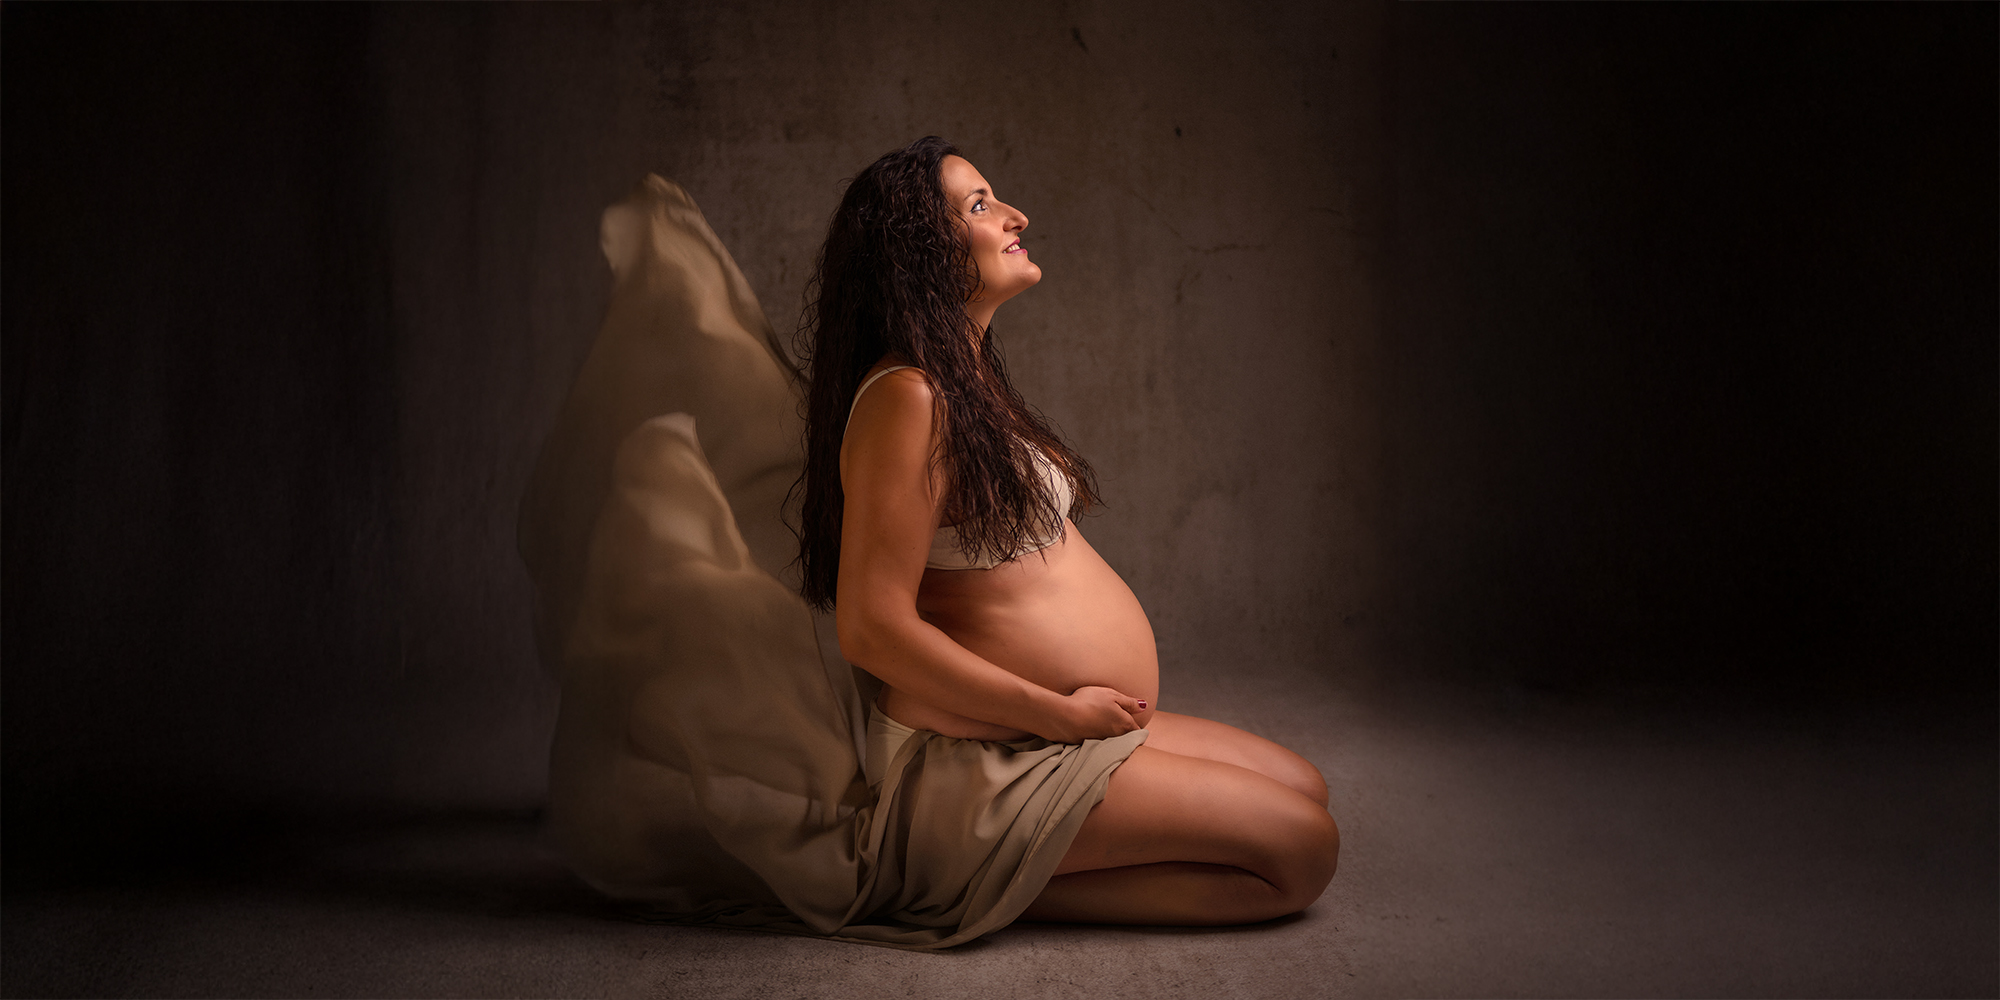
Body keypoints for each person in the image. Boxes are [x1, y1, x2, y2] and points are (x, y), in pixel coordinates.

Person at [794, 135, 1338, 926]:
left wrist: (1074, 718)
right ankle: (952, 875)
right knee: (1301, 853)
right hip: (981, 758)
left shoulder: (963, 380)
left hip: (1048, 733)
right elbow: (871, 629)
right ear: (916, 250)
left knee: (1305, 788)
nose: (1016, 215)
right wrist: (1057, 715)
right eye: (979, 206)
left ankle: (995, 867)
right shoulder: (906, 399)